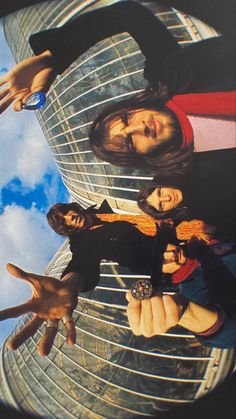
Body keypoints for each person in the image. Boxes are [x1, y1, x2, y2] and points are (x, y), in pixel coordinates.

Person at [0, 1, 235, 174]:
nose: (137, 128)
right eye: (130, 143)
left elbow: (129, 14)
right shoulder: (199, 173)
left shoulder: (169, 75)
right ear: (142, 156)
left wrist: (53, 57)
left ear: (132, 106)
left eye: (126, 119)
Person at [0, 200, 219, 355]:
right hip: (185, 273)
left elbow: (152, 223)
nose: (70, 217)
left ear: (73, 208)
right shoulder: (83, 241)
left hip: (198, 243)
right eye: (64, 222)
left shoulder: (106, 211)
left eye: (66, 212)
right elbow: (82, 262)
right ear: (67, 230)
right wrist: (69, 284)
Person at [127, 237, 236, 349]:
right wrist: (184, 310)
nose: (166, 254)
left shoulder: (194, 288)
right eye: (154, 257)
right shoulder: (196, 289)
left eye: (156, 248)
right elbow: (228, 333)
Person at [137, 148, 236, 241]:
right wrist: (217, 231)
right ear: (165, 212)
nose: (167, 198)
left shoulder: (192, 167)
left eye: (160, 192)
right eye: (162, 205)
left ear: (162, 184)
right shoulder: (198, 216)